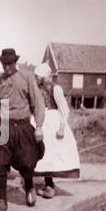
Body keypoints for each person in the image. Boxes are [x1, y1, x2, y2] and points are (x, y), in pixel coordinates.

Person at [0, 49, 45, 211]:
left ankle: (29, 187)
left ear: (15, 63)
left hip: (23, 126)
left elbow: (37, 102)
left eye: (10, 63)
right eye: (5, 64)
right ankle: (2, 200)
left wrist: (39, 126)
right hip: (4, 125)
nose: (7, 67)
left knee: (27, 162)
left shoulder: (26, 77)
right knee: (0, 162)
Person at [32, 63, 80, 198]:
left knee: (54, 154)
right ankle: (48, 184)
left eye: (38, 77)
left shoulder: (55, 89)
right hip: (43, 124)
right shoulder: (39, 89)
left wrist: (61, 128)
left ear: (43, 77)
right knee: (45, 155)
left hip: (54, 124)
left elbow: (64, 110)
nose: (36, 79)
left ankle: (50, 185)